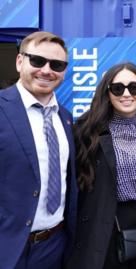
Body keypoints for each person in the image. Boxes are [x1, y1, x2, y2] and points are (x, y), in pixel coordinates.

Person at [66, 62, 136, 269]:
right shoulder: (87, 134)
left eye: (134, 87)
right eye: (118, 88)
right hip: (104, 228)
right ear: (107, 92)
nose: (126, 94)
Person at [0, 31, 78, 268]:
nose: (46, 70)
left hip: (54, 247)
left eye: (57, 64)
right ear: (19, 61)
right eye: (37, 61)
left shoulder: (65, 118)